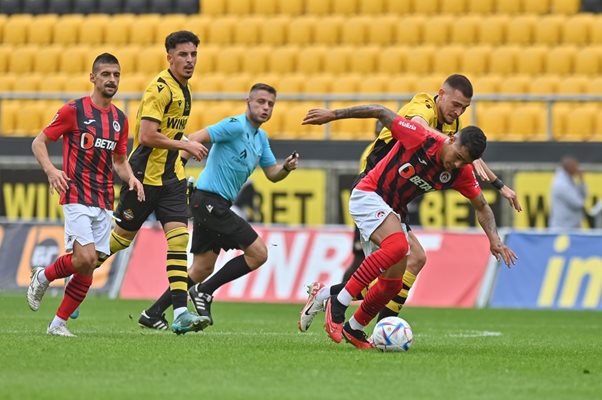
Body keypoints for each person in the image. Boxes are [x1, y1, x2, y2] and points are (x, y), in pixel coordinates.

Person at [298, 74, 521, 333]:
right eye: (456, 105)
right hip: (375, 183)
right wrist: (334, 115)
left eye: (464, 108)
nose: (458, 112)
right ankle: (348, 308)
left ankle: (343, 305)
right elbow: (419, 129)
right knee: (395, 257)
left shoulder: (452, 131)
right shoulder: (423, 109)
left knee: (409, 263)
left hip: (397, 196)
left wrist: (499, 185)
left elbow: (467, 163)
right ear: (441, 94)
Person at [139, 83, 299, 329]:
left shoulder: (261, 138)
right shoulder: (234, 126)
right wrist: (176, 173)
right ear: (248, 102)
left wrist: (286, 168)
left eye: (270, 104)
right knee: (259, 253)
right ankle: (205, 292)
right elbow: (195, 138)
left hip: (214, 204)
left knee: (202, 267)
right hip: (207, 201)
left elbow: (272, 174)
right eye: (260, 102)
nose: (265, 107)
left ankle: (153, 312)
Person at [98, 31, 210, 335]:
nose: (189, 60)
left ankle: (181, 313)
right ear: (169, 57)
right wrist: (185, 146)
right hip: (144, 178)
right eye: (183, 55)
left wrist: (181, 148)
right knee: (115, 243)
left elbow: (168, 135)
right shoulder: (159, 89)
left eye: (193, 55)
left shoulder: (184, 90)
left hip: (171, 178)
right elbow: (147, 136)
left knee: (178, 240)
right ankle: (59, 271)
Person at [27, 53, 145, 337]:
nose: (112, 80)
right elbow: (39, 142)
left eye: (116, 75)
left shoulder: (120, 119)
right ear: (93, 78)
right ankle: (43, 276)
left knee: (90, 265)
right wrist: (51, 171)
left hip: (104, 199)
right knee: (84, 258)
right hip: (76, 193)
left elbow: (119, 161)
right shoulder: (74, 111)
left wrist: (132, 178)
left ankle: (58, 324)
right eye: (105, 74)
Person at [549, 156, 587, 229]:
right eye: (575, 166)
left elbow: (584, 196)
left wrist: (581, 180)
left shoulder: (569, 180)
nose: (577, 168)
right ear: (569, 167)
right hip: (562, 228)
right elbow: (578, 203)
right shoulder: (561, 184)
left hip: (571, 227)